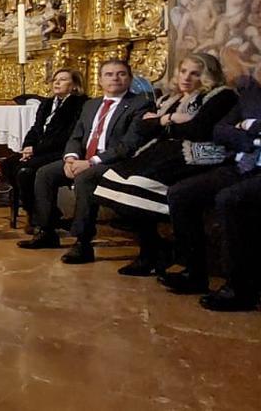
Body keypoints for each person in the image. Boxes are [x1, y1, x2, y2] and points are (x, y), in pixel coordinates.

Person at [92, 54, 237, 275]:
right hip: (160, 152)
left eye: (195, 73)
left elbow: (198, 130)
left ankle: (155, 253)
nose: (186, 77)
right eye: (183, 71)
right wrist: (168, 120)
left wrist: (159, 123)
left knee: (140, 185)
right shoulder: (171, 99)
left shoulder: (221, 96)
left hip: (195, 156)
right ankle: (153, 249)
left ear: (208, 76)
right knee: (114, 179)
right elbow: (141, 127)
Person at [20, 59, 154, 264]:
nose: (115, 78)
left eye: (121, 74)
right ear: (100, 80)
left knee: (85, 178)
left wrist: (91, 162)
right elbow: (76, 136)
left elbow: (128, 145)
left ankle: (83, 242)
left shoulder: (139, 104)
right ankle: (45, 231)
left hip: (114, 161)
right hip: (83, 158)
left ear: (129, 78)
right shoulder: (92, 105)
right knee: (45, 173)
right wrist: (71, 157)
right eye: (109, 74)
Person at [162, 74, 261, 310]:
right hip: (242, 164)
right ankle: (194, 272)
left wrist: (249, 126)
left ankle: (239, 289)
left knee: (231, 199)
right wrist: (252, 135)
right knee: (181, 193)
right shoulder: (252, 100)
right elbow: (220, 130)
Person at [3, 69, 87, 233]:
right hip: (39, 150)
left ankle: (38, 219)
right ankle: (46, 214)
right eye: (55, 79)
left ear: (75, 85)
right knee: (8, 164)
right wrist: (28, 145)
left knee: (25, 171)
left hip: (60, 151)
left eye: (62, 79)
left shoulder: (80, 104)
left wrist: (35, 150)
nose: (56, 82)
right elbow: (36, 128)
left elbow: (68, 134)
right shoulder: (47, 103)